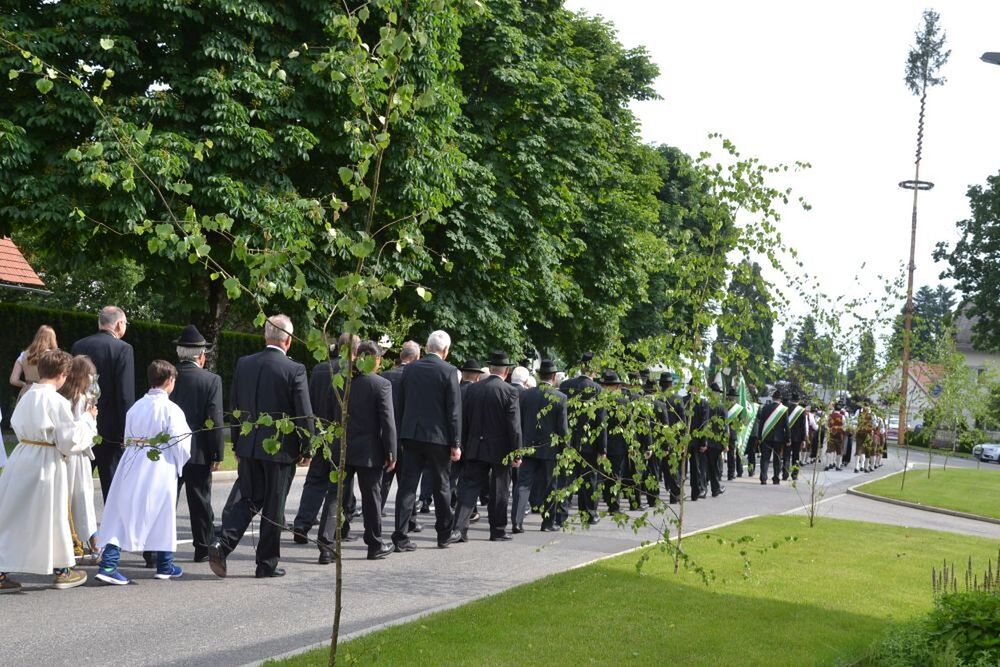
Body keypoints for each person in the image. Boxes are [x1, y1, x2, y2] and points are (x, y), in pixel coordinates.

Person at [210, 315, 313, 579]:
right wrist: (308, 447)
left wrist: (237, 441)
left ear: (266, 336)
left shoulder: (245, 363)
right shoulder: (295, 369)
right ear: (288, 340)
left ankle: (223, 543)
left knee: (248, 499)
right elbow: (303, 413)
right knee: (273, 507)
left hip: (249, 445)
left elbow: (235, 405)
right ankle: (266, 563)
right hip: (280, 449)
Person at [0, 350, 95, 593]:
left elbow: (16, 424)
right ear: (63, 374)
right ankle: (62, 571)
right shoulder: (57, 401)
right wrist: (88, 421)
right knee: (52, 515)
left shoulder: (26, 395)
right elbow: (69, 441)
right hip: (46, 462)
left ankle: (1, 572)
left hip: (21, 457)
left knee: (14, 515)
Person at [95, 360, 192, 585]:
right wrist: (179, 463)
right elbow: (181, 443)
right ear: (170, 380)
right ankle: (158, 564)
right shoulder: (171, 409)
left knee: (122, 510)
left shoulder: (136, 406)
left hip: (132, 460)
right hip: (158, 463)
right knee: (162, 513)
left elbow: (128, 436)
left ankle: (118, 562)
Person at [315, 341, 397, 562]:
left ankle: (326, 546)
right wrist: (391, 453)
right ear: (376, 359)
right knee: (371, 497)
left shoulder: (340, 381)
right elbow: (387, 422)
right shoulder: (381, 384)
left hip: (340, 447)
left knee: (334, 495)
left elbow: (328, 413)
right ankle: (374, 544)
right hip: (369, 451)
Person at [391, 330, 463, 552]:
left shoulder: (410, 369)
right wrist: (456, 443)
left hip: (411, 435)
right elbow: (453, 411)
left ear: (427, 347)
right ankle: (444, 534)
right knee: (441, 486)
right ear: (446, 350)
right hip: (439, 438)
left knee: (407, 487)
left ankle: (400, 536)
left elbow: (401, 403)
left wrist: (401, 433)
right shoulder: (449, 371)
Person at [290, 333, 359, 544]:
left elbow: (309, 400)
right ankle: (341, 527)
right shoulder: (353, 371)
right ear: (355, 351)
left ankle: (302, 523)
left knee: (315, 480)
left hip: (320, 430)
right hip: (342, 433)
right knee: (342, 483)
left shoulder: (320, 368)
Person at [453, 351, 522, 541]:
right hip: (501, 450)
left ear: (490, 368)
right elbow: (514, 426)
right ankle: (497, 530)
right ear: (506, 371)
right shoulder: (510, 391)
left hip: (475, 445)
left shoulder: (473, 389)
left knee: (468, 488)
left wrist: (461, 444)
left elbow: (464, 420)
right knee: (499, 491)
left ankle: (459, 529)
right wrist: (517, 452)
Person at [169, 325, 224, 563]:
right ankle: (202, 546)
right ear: (201, 356)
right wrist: (217, 452)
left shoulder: (168, 376)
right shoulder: (211, 380)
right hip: (198, 449)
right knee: (200, 500)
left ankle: (155, 549)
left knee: (165, 500)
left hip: (170, 449)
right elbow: (214, 419)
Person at [71, 305, 135, 500]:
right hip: (111, 428)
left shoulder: (79, 345)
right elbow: (125, 394)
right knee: (113, 488)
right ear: (119, 324)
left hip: (81, 420)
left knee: (77, 485)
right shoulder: (123, 349)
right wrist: (127, 430)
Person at [511, 359, 568, 532]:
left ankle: (517, 521)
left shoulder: (525, 395)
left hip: (528, 446)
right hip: (550, 449)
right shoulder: (560, 398)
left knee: (523, 485)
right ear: (553, 376)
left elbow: (519, 422)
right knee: (551, 485)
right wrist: (565, 449)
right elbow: (562, 428)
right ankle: (548, 522)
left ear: (539, 375)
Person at [57, 355, 101, 561]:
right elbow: (82, 433)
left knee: (68, 502)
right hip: (77, 457)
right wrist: (91, 418)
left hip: (64, 457)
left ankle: (76, 543)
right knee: (83, 501)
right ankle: (94, 545)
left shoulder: (63, 396)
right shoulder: (80, 399)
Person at [560, 353, 606, 524]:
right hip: (590, 443)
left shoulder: (565, 385)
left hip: (568, 441)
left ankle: (560, 515)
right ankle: (588, 514)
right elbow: (601, 422)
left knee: (566, 479)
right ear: (595, 369)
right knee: (589, 479)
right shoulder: (598, 390)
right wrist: (603, 448)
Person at [379, 340, 421, 524]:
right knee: (407, 482)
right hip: (407, 436)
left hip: (385, 435)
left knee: (384, 480)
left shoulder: (385, 375)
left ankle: (374, 517)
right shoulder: (416, 378)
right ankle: (409, 519)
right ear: (417, 357)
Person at [9, 324, 58, 402]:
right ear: (52, 339)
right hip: (46, 393)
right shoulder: (54, 356)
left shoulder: (23, 355)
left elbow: (13, 380)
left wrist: (25, 384)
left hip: (27, 392)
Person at [756, 389, 789, 485]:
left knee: (765, 458)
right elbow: (786, 426)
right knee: (777, 459)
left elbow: (761, 424)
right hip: (779, 438)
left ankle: (763, 478)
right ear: (780, 399)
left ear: (772, 398)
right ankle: (776, 478)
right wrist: (788, 438)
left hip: (766, 436)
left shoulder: (765, 408)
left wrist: (759, 436)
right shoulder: (783, 409)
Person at [786, 393, 807, 481]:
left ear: (791, 400)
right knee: (796, 456)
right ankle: (794, 474)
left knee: (786, 456)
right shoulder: (801, 411)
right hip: (797, 438)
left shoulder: (786, 409)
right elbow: (803, 426)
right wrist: (803, 439)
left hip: (787, 436)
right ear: (798, 401)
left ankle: (785, 474)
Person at [825, 402, 846, 471]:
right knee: (839, 450)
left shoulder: (829, 416)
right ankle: (838, 466)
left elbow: (826, 425)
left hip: (831, 433)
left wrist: (830, 430)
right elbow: (844, 426)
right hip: (839, 434)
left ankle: (827, 465)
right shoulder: (842, 416)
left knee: (829, 449)